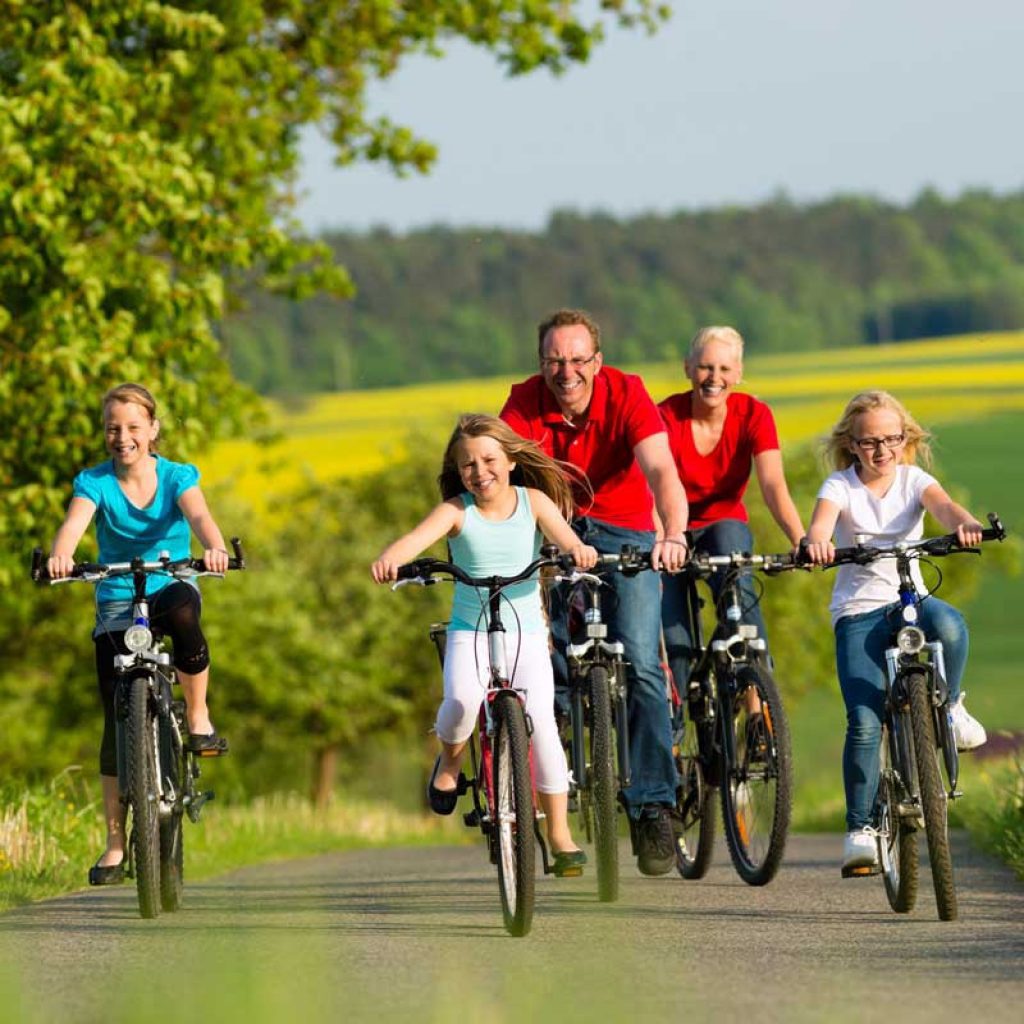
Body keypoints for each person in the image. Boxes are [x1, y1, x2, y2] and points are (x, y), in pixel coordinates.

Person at [500, 308, 690, 876]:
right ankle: (550, 780)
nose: (567, 371)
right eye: (555, 360)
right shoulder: (523, 403)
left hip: (627, 528)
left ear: (597, 361)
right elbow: (499, 474)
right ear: (541, 363)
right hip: (555, 529)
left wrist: (673, 533)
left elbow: (661, 471)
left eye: (578, 359)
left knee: (642, 662)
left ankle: (654, 804)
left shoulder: (628, 393)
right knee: (542, 659)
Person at [371, 413, 598, 877]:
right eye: (468, 465)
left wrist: (580, 552)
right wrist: (391, 560)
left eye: (489, 459)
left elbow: (568, 540)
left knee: (543, 726)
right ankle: (450, 763)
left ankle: (558, 834)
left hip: (526, 634)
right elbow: (414, 541)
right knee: (461, 702)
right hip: (470, 631)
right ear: (459, 471)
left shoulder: (534, 502)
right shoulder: (457, 511)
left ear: (512, 460)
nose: (480, 471)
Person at [47, 383, 232, 886]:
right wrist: (61, 556)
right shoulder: (94, 482)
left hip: (169, 584)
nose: (122, 437)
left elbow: (200, 517)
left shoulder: (176, 476)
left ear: (152, 429)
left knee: (186, 617)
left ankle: (197, 716)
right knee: (114, 720)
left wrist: (213, 547)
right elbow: (73, 526)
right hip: (115, 599)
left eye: (132, 427)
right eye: (113, 428)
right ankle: (113, 843)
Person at [803, 389, 988, 872]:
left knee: (949, 623)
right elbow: (821, 525)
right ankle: (860, 829)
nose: (881, 450)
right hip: (859, 613)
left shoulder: (913, 480)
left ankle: (949, 709)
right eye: (869, 443)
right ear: (851, 444)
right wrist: (818, 544)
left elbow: (944, 508)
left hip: (910, 600)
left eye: (892, 439)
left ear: (906, 439)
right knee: (864, 722)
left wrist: (966, 525)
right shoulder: (839, 486)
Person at [659, 325, 805, 701]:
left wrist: (799, 539)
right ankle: (673, 739)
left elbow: (773, 484)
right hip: (667, 527)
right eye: (706, 367)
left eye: (724, 369)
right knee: (673, 637)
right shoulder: (664, 416)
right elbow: (650, 485)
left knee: (737, 578)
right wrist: (663, 539)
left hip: (721, 523)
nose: (715, 378)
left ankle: (756, 700)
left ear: (738, 373)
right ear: (688, 368)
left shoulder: (753, 414)